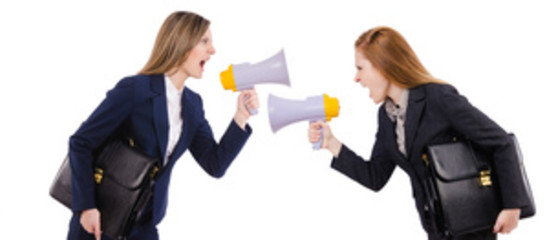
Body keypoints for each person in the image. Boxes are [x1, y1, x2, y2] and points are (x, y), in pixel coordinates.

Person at [307, 26, 533, 240]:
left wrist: (512, 206)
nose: (356, 78)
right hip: (437, 229)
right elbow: (375, 176)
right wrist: (331, 143)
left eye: (360, 68)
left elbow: (501, 142)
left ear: (383, 65)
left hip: (473, 227)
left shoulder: (438, 98)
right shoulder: (387, 117)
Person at [63, 11, 259, 240]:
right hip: (100, 224)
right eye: (205, 41)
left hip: (144, 228)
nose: (213, 50)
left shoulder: (193, 105)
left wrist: (240, 117)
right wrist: (86, 207)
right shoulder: (134, 90)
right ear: (181, 43)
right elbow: (81, 142)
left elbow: (214, 163)